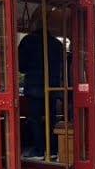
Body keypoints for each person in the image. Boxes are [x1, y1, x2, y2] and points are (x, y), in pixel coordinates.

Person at [18, 14, 63, 157]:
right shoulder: (57, 44)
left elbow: (21, 66)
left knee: (35, 119)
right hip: (53, 88)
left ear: (34, 26)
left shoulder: (27, 41)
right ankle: (53, 149)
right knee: (51, 118)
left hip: (34, 88)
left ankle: (39, 149)